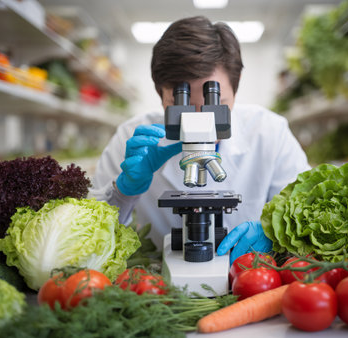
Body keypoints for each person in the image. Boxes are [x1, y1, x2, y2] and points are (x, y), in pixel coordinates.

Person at [90, 16, 310, 263]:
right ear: (160, 95)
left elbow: (307, 213)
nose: (198, 120)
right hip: (159, 282)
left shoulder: (270, 132)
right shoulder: (131, 137)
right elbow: (87, 237)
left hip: (249, 275)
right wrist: (122, 194)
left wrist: (275, 232)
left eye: (215, 105)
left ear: (234, 94)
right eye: (181, 105)